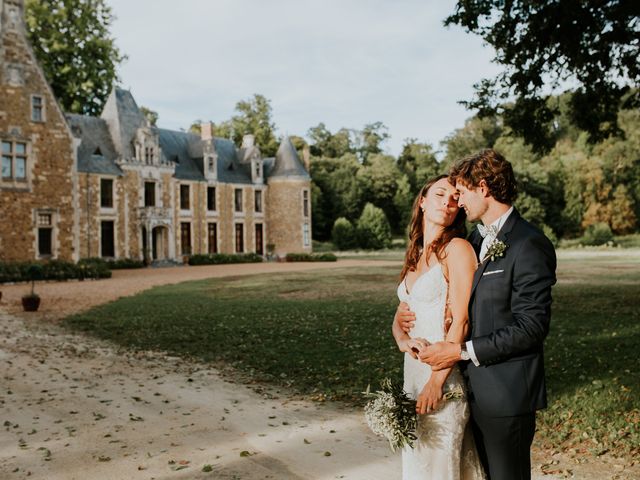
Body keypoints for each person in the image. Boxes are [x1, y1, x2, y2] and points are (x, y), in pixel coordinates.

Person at [397, 149, 557, 480]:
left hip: (506, 393)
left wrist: (459, 351)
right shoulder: (473, 239)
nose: (459, 201)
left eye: (462, 192)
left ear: (482, 188)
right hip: (469, 389)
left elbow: (531, 327)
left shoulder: (529, 244)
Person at [392, 174, 486, 480]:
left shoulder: (456, 249)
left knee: (440, 469)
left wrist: (436, 381)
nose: (448, 202)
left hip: (442, 381)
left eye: (454, 199)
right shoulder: (415, 252)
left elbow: (462, 320)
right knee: (418, 465)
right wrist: (399, 334)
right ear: (422, 201)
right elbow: (405, 311)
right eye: (439, 194)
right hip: (412, 377)